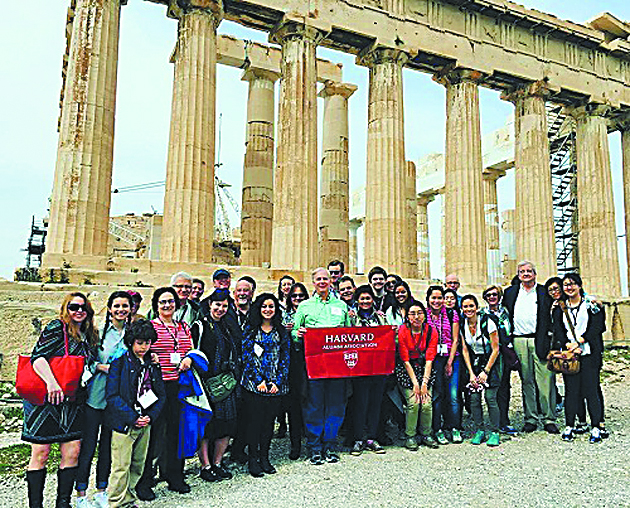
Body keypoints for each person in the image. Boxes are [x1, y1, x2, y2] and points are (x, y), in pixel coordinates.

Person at [23, 293, 97, 508]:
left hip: (72, 400)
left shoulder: (88, 333)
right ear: (66, 308)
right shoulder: (57, 327)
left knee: (72, 451)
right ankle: (35, 505)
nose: (79, 311)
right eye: (74, 307)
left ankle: (63, 503)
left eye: (83, 307)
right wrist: (52, 383)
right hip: (46, 399)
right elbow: (38, 357)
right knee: (41, 453)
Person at [75, 291, 133, 508]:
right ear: (109, 309)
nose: (121, 310)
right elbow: (85, 361)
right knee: (89, 445)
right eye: (116, 306)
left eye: (125, 306)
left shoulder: (131, 333)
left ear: (130, 309)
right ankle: (81, 494)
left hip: (117, 399)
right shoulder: (98, 332)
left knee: (108, 447)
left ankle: (102, 490)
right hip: (96, 395)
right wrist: (101, 367)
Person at [136, 287, 193, 500]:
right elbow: (140, 350)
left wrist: (189, 358)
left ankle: (174, 476)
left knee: (176, 432)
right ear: (156, 305)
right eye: (162, 302)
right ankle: (144, 481)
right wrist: (151, 356)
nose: (167, 305)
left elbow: (191, 349)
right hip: (157, 386)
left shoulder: (184, 326)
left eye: (170, 301)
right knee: (153, 435)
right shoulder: (151, 326)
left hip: (180, 385)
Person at [293, 268, 350, 465]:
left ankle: (330, 444)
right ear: (313, 282)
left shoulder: (341, 306)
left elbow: (349, 334)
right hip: (314, 364)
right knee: (314, 404)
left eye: (325, 278)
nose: (322, 282)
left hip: (337, 364)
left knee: (336, 404)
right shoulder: (305, 306)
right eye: (318, 279)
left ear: (331, 281)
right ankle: (314, 446)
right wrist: (297, 334)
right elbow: (294, 332)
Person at [106, 320, 166, 508]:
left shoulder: (152, 365)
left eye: (147, 343)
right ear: (131, 341)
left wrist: (151, 416)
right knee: (120, 466)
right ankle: (116, 503)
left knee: (138, 464)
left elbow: (160, 394)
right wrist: (132, 417)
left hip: (145, 421)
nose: (143, 347)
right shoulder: (119, 363)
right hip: (125, 424)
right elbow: (112, 396)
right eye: (139, 343)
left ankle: (129, 500)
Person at [503, 261, 558, 434]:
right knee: (526, 381)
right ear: (518, 275)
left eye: (529, 271)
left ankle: (549, 418)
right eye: (522, 271)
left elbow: (561, 299)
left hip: (539, 339)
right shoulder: (510, 293)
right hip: (519, 340)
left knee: (545, 380)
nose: (526, 274)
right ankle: (531, 418)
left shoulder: (543, 291)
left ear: (534, 274)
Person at [552, 274, 605, 443]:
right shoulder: (560, 307)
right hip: (570, 354)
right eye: (566, 285)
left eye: (573, 284)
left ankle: (596, 426)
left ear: (580, 286)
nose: (569, 287)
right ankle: (570, 425)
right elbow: (558, 329)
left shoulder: (590, 304)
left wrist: (581, 341)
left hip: (589, 352)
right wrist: (568, 344)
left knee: (591, 390)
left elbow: (599, 326)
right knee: (571, 391)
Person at [241, 294, 290, 477]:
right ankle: (253, 459)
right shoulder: (250, 329)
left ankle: (264, 457)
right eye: (264, 306)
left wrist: (278, 381)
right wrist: (258, 381)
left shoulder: (281, 331)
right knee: (254, 423)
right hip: (254, 386)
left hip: (275, 386)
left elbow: (285, 357)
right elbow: (246, 356)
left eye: (271, 306)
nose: (267, 310)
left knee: (269, 424)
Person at [196, 289, 243, 482]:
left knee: (227, 424)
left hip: (226, 382)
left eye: (224, 306)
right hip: (206, 383)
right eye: (217, 304)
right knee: (206, 425)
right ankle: (205, 466)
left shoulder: (228, 326)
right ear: (210, 304)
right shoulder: (199, 326)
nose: (220, 309)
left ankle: (217, 462)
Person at [348, 285, 388, 456]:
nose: (365, 301)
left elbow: (388, 339)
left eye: (368, 298)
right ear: (357, 300)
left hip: (378, 367)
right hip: (359, 367)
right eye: (362, 298)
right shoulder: (351, 317)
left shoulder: (381, 318)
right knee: (360, 403)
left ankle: (372, 438)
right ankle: (358, 438)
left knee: (375, 403)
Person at [395, 301, 439, 450]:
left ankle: (426, 434)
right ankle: (410, 435)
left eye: (419, 313)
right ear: (407, 316)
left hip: (425, 369)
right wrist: (415, 384)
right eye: (412, 314)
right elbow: (405, 360)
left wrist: (424, 383)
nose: (416, 317)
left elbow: (430, 359)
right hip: (407, 370)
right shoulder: (403, 330)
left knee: (426, 402)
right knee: (413, 402)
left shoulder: (431, 331)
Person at [460, 295, 502, 447]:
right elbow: (465, 349)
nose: (469, 309)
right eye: (465, 306)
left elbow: (496, 349)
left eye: (471, 306)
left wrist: (486, 371)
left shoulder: (487, 322)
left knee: (490, 398)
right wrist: (471, 373)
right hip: (474, 361)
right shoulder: (463, 324)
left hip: (491, 361)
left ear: (477, 308)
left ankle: (495, 431)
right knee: (474, 398)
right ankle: (480, 430)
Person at [426, 285, 462, 444]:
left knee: (453, 395)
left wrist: (449, 362)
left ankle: (454, 427)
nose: (437, 301)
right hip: (433, 359)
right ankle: (437, 429)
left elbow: (455, 339)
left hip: (451, 357)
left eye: (439, 297)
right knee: (437, 394)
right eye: (433, 298)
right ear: (428, 299)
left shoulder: (451, 313)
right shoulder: (424, 315)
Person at [480, 285, 517, 435]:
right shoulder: (482, 314)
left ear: (499, 296)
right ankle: (491, 421)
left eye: (494, 294)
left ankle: (504, 420)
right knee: (491, 388)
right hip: (489, 354)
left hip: (505, 354)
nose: (492, 297)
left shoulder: (506, 312)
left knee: (504, 387)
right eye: (488, 295)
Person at [283, 283, 309, 460]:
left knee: (308, 402)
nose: (298, 299)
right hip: (290, 363)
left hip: (308, 361)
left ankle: (312, 440)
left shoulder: (311, 313)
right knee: (294, 405)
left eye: (301, 296)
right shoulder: (283, 315)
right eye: (294, 296)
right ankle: (295, 444)